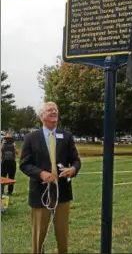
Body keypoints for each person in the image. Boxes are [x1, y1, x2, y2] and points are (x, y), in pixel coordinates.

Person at [20, 102, 81, 254]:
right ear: (42, 116)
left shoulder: (66, 137)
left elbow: (76, 160)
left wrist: (73, 169)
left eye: (56, 110)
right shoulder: (31, 138)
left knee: (62, 235)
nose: (54, 111)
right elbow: (24, 164)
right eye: (50, 110)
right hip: (40, 193)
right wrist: (41, 174)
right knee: (39, 236)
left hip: (63, 193)